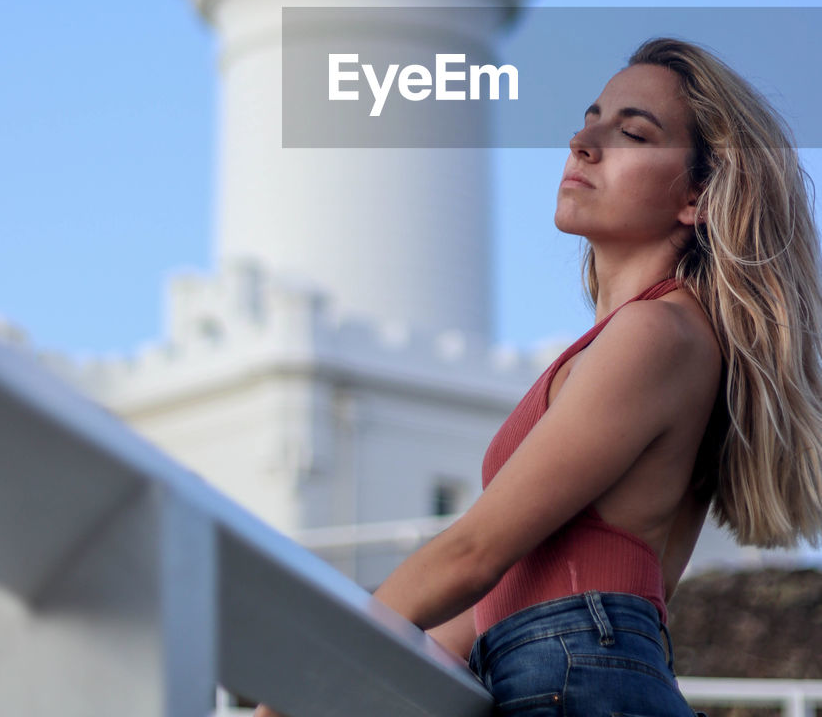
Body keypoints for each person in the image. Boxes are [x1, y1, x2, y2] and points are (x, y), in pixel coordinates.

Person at [255, 37, 822, 717]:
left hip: (573, 679)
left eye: (631, 132)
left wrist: (302, 685)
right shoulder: (641, 341)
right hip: (566, 673)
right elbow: (504, 594)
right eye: (590, 119)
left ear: (697, 196)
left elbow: (474, 552)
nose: (582, 142)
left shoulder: (656, 335)